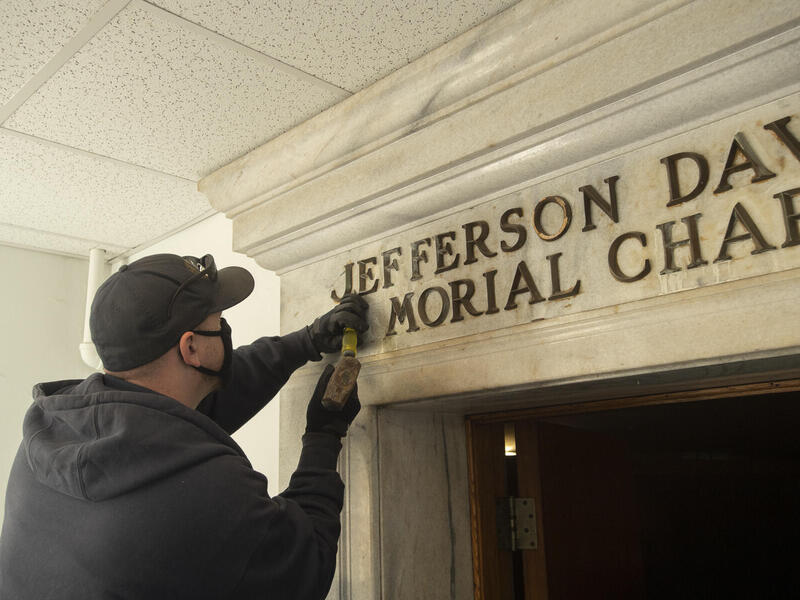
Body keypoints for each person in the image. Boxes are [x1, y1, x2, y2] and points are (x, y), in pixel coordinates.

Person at [0, 253, 369, 599]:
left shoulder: (48, 438)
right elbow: (305, 567)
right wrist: (324, 435)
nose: (224, 328)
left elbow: (203, 399)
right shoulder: (209, 487)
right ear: (191, 347)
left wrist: (304, 342)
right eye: (218, 322)